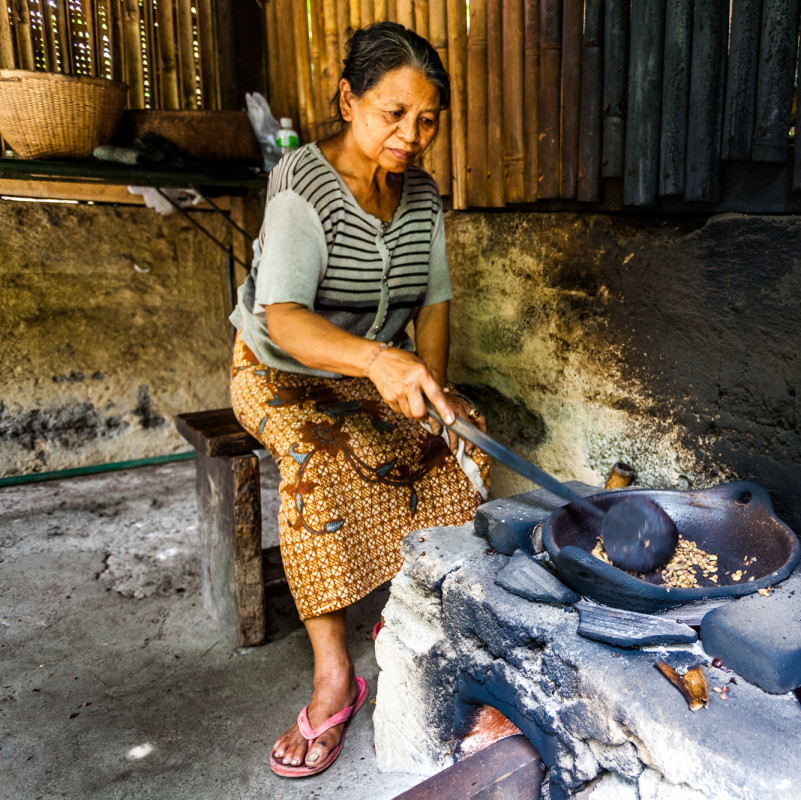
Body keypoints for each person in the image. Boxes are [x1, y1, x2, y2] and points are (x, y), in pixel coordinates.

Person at [228, 22, 489, 778]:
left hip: (367, 372)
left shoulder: (422, 196)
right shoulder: (302, 187)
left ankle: (415, 623)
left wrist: (431, 397)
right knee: (316, 460)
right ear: (348, 99)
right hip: (277, 369)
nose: (412, 135)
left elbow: (433, 300)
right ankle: (334, 675)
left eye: (428, 119)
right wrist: (380, 360)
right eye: (392, 113)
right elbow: (284, 317)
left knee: (460, 439)